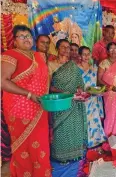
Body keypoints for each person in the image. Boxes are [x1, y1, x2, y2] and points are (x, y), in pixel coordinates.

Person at [1, 25, 51, 176]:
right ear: (15, 41)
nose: (26, 39)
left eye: (28, 36)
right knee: (24, 148)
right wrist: (29, 95)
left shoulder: (39, 56)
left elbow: (45, 81)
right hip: (19, 110)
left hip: (40, 107)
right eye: (22, 36)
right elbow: (2, 81)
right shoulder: (10, 55)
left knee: (41, 145)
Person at [49, 39, 86, 162]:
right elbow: (48, 86)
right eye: (63, 47)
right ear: (57, 49)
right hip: (60, 103)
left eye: (68, 47)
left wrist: (80, 90)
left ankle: (75, 153)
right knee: (61, 129)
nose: (66, 50)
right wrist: (63, 93)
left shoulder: (73, 66)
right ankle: (61, 156)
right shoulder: (51, 65)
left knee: (74, 128)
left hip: (74, 103)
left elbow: (79, 83)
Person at [77, 46, 106, 148]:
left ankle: (96, 140)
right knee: (84, 120)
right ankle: (84, 142)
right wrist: (81, 91)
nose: (86, 56)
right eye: (84, 54)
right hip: (82, 99)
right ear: (79, 55)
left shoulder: (93, 67)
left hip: (93, 99)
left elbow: (96, 83)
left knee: (94, 119)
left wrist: (100, 90)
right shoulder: (76, 68)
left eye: (88, 54)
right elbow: (75, 85)